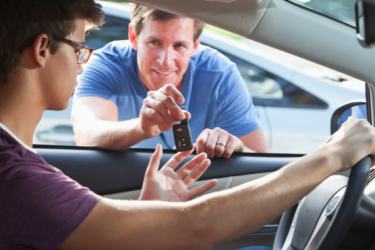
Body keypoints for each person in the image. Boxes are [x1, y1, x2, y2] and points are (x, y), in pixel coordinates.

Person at [1, 1, 375, 249]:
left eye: (179, 46)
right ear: (43, 49)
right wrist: (332, 155)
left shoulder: (17, 166)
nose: (84, 60)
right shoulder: (16, 179)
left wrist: (149, 211)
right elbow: (197, 225)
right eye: (80, 47)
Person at [71, 3, 271, 159]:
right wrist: (141, 128)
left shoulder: (220, 74)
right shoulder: (105, 66)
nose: (165, 61)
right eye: (154, 42)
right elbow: (87, 136)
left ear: (195, 45)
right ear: (133, 36)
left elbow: (265, 165)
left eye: (179, 45)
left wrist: (237, 148)